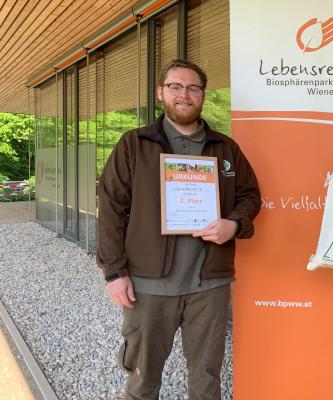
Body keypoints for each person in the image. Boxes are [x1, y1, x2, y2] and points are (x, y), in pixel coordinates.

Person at [96, 59, 261, 400]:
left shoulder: (225, 148)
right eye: (175, 86)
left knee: (206, 378)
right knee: (142, 380)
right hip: (149, 285)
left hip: (209, 284)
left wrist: (234, 224)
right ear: (161, 93)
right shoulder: (134, 144)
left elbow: (250, 196)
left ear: (202, 95)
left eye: (193, 88)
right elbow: (111, 208)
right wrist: (115, 272)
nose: (184, 94)